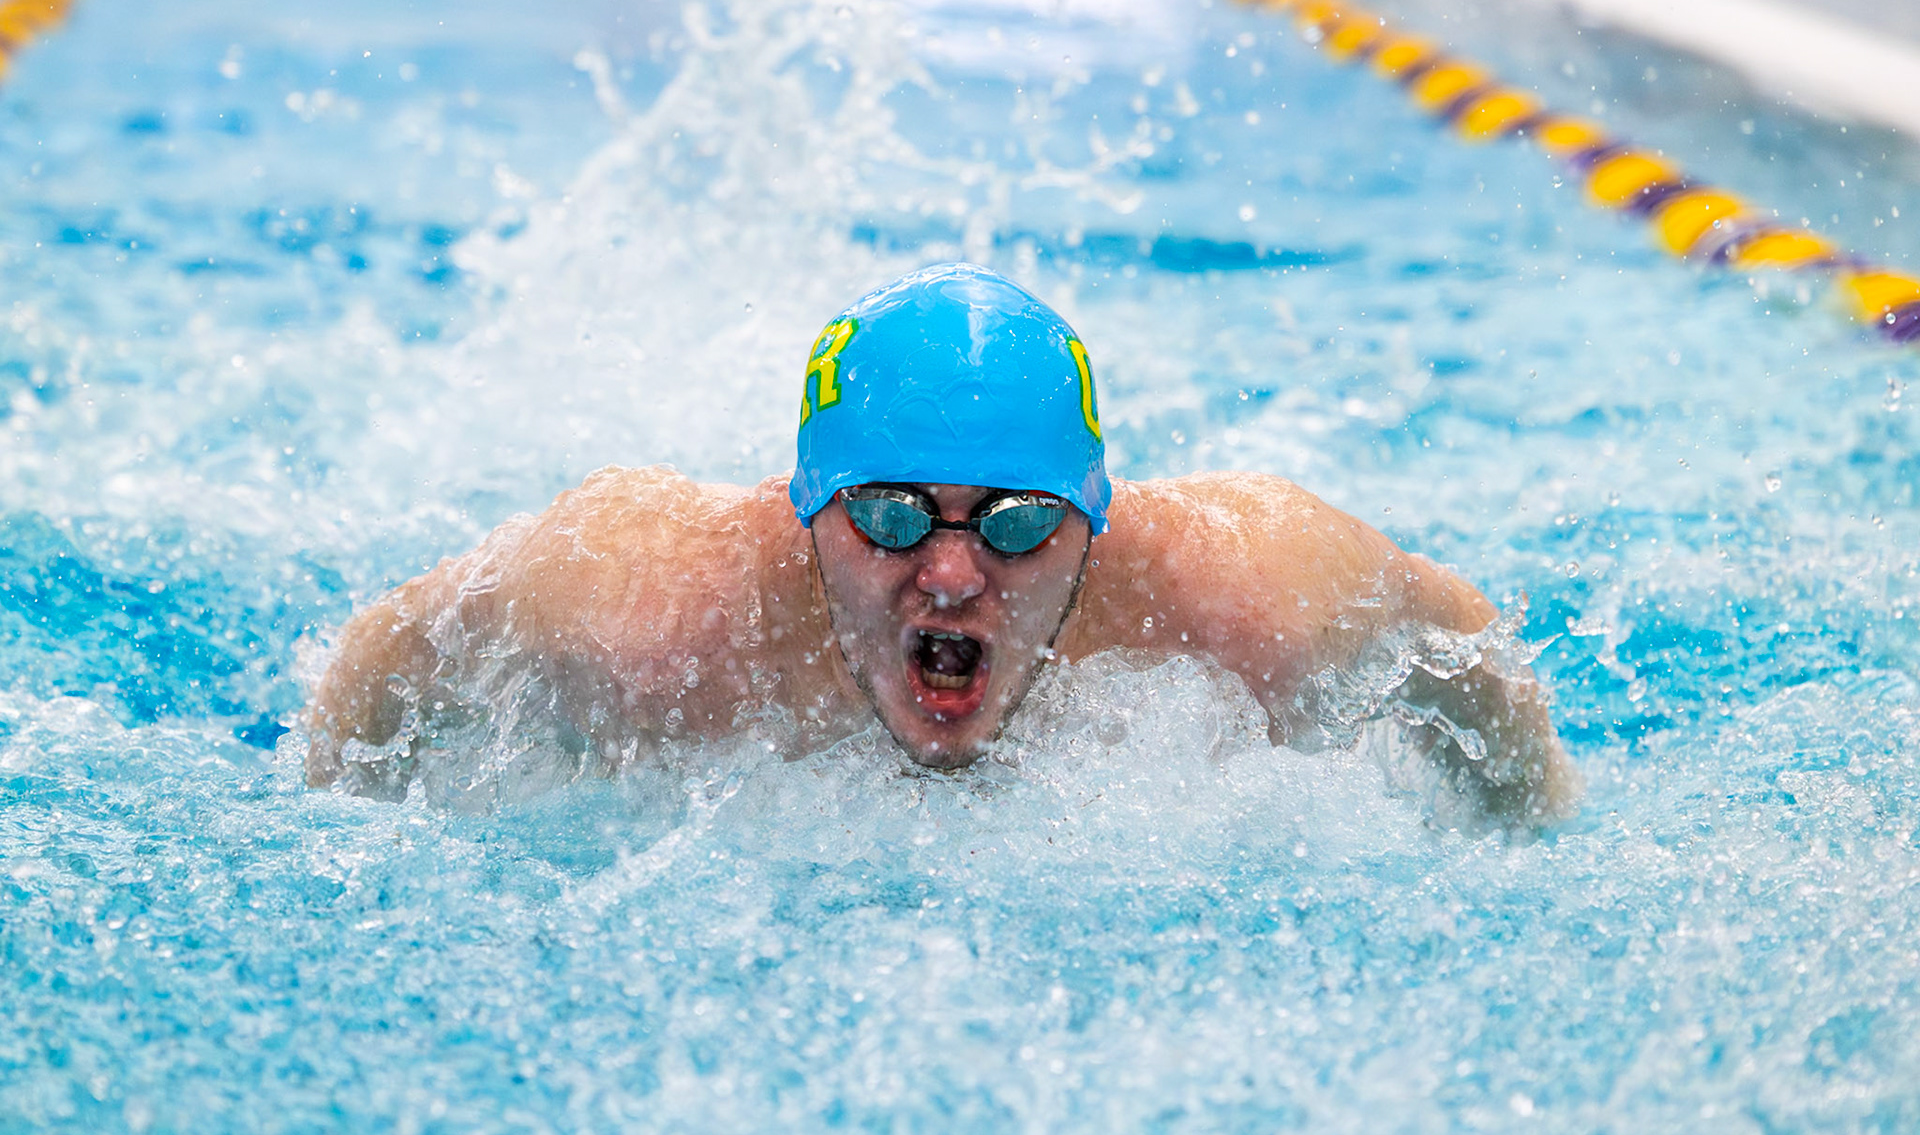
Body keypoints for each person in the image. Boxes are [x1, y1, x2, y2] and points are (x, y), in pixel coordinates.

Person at [306, 263, 1579, 823]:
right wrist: (334, 825)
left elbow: (1451, 631)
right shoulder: (647, 606)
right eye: (892, 515)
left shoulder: (1252, 599)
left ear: (1095, 516)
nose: (955, 572)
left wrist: (1534, 835)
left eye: (1019, 523)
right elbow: (395, 644)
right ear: (809, 510)